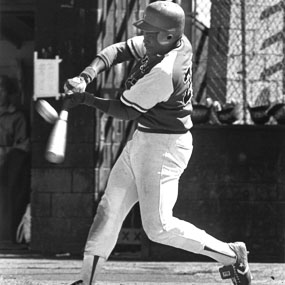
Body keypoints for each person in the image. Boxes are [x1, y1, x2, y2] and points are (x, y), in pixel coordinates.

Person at [64, 2, 252, 284]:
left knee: (158, 227)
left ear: (168, 36)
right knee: (110, 207)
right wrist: (85, 76)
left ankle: (231, 256)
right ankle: (86, 280)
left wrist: (86, 100)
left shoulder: (165, 71)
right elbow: (119, 50)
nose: (145, 38)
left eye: (151, 34)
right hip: (143, 138)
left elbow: (126, 111)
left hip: (164, 148)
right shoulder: (172, 41)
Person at [0, 75, 30, 244]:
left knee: (8, 200)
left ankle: (7, 238)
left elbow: (23, 145)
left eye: (1, 89)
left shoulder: (17, 117)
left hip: (8, 166)